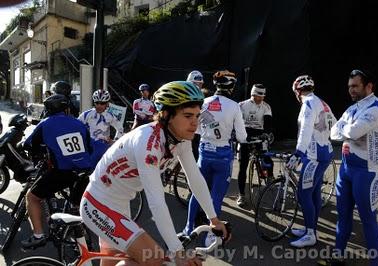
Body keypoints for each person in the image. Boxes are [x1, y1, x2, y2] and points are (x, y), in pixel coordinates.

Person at [79, 81, 230, 266]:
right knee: (154, 258)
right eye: (188, 115)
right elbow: (156, 202)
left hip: (120, 205)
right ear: (166, 115)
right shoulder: (148, 142)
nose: (195, 122)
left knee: (116, 261)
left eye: (197, 115)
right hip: (98, 204)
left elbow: (195, 178)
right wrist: (178, 251)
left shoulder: (180, 139)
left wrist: (213, 219)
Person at [329, 69, 378, 265]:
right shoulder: (352, 108)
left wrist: (347, 129)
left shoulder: (377, 107)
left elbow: (353, 132)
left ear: (369, 86)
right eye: (349, 87)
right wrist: (349, 130)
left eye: (355, 86)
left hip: (368, 171)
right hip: (347, 170)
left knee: (368, 220)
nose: (351, 90)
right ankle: (338, 256)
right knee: (343, 216)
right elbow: (333, 132)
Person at [182, 70, 247, 245]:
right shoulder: (234, 106)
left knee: (197, 191)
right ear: (231, 87)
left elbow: (195, 130)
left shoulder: (203, 102)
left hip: (204, 152)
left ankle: (188, 228)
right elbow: (242, 136)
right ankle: (212, 234)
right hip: (223, 155)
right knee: (216, 196)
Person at [22, 94, 93, 249]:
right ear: (66, 109)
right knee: (75, 207)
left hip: (63, 172)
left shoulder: (45, 124)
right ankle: (82, 243)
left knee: (32, 197)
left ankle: (38, 235)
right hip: (85, 172)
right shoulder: (79, 123)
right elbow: (89, 147)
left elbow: (29, 145)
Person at [286, 75, 336, 248]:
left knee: (303, 193)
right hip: (324, 152)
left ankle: (310, 235)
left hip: (313, 156)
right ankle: (311, 229)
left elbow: (305, 130)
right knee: (314, 193)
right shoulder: (322, 102)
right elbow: (335, 126)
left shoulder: (307, 103)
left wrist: (298, 153)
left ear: (297, 91)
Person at [236, 83, 273, 207]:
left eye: (263, 96)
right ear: (253, 94)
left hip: (259, 133)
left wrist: (266, 133)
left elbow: (267, 122)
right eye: (259, 95)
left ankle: (270, 177)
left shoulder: (266, 106)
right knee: (243, 166)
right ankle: (241, 195)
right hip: (244, 133)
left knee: (266, 154)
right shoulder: (241, 105)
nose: (261, 98)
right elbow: (236, 122)